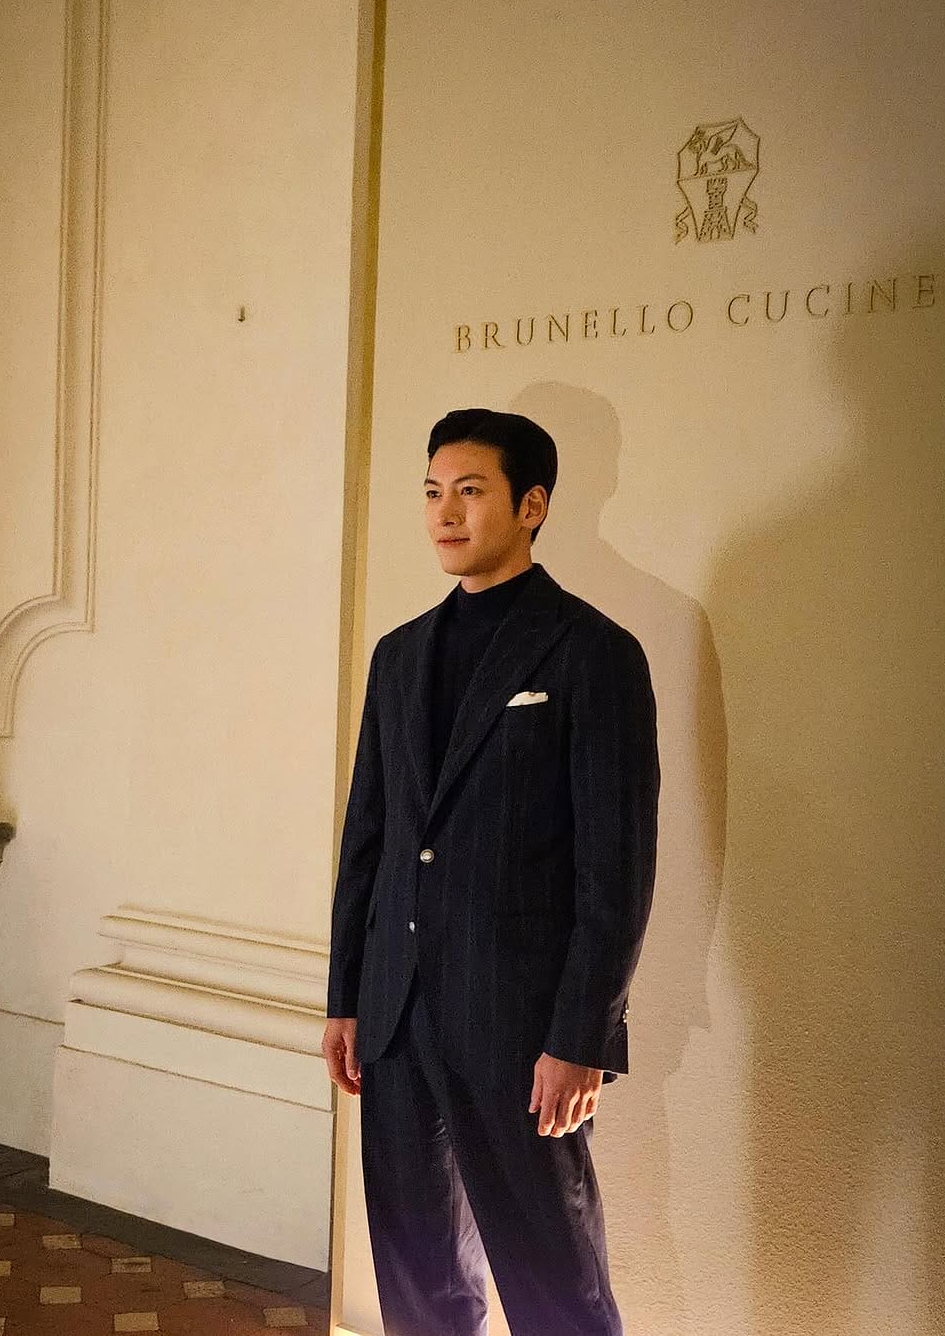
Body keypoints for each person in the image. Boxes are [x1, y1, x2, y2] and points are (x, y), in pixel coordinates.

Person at [323, 408, 660, 1335]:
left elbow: (616, 868)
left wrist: (582, 1036)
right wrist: (347, 996)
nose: (446, 513)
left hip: (522, 1028)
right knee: (417, 1274)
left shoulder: (593, 653)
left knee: (555, 1281)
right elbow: (370, 837)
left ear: (531, 505)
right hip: (395, 1015)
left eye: (470, 491)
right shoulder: (398, 656)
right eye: (433, 492)